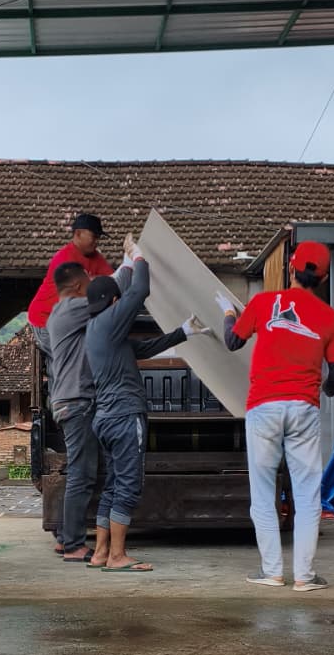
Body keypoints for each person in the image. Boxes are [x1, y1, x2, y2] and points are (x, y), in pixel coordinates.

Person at [220, 240, 334, 593]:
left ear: (291, 269)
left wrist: (228, 314)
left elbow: (232, 341)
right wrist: (324, 390)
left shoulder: (263, 303)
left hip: (263, 406)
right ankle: (305, 576)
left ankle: (272, 572)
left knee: (263, 492)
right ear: (323, 279)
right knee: (307, 495)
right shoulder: (331, 319)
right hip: (303, 407)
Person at [84, 239, 210, 572]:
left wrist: (184, 332)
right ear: (114, 302)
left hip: (106, 419)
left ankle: (100, 553)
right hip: (125, 417)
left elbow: (144, 349)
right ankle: (118, 557)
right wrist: (140, 255)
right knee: (129, 485)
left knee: (113, 485)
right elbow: (139, 290)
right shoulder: (111, 321)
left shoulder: (98, 331)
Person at [45, 260, 99, 561]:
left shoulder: (59, 312)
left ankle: (65, 537)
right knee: (82, 474)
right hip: (77, 402)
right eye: (89, 280)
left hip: (68, 401)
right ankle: (74, 546)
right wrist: (134, 263)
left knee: (78, 471)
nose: (93, 284)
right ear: (78, 285)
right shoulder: (74, 308)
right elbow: (111, 295)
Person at [27, 212, 115, 357]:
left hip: (67, 320)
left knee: (76, 359)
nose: (97, 241)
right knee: (72, 359)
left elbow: (112, 279)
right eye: (94, 236)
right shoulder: (65, 258)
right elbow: (92, 287)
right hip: (45, 320)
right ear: (78, 233)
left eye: (98, 237)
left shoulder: (95, 256)